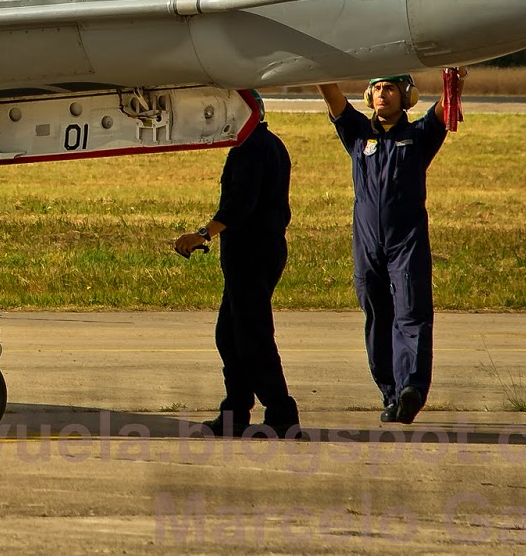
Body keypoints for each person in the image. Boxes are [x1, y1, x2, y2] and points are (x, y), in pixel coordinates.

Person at [317, 69, 464, 425]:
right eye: (377, 89)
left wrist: (456, 75)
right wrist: (319, 68)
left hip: (407, 240)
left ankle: (411, 387)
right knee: (377, 316)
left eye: (390, 89)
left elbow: (446, 106)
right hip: (367, 242)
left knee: (411, 312)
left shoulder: (419, 134)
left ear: (406, 95)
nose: (383, 95)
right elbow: (332, 95)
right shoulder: (357, 133)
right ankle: (391, 393)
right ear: (369, 96)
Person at [174, 93, 300, 437]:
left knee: (252, 337)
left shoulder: (253, 148)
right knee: (229, 336)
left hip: (253, 254)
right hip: (255, 253)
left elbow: (241, 203)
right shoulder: (264, 143)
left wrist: (203, 234)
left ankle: (281, 414)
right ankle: (235, 413)